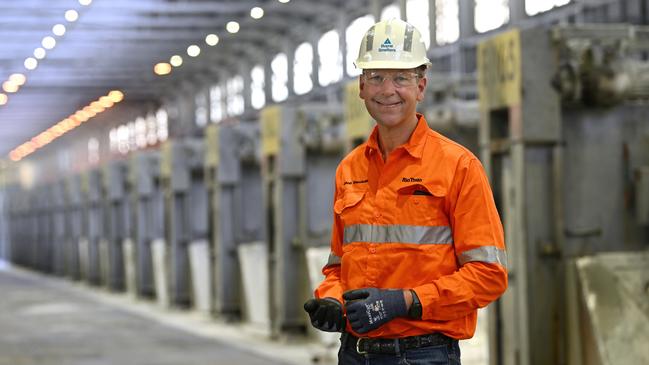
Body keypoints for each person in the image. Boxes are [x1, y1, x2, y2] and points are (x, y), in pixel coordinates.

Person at [303, 19, 508, 364]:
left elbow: (488, 275)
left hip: (424, 354)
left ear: (421, 86)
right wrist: (333, 301)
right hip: (354, 353)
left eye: (401, 78)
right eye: (376, 77)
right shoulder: (349, 169)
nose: (388, 90)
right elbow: (338, 266)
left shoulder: (458, 166)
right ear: (361, 87)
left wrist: (406, 301)